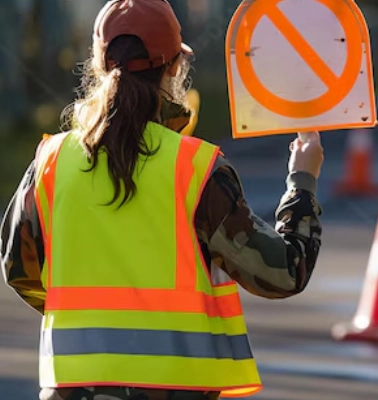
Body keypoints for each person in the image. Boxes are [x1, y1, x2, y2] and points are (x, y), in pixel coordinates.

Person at [0, 1, 324, 399]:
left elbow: (19, 269)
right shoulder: (197, 168)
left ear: (99, 66)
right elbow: (283, 273)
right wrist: (303, 180)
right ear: (174, 68)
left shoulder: (49, 163)